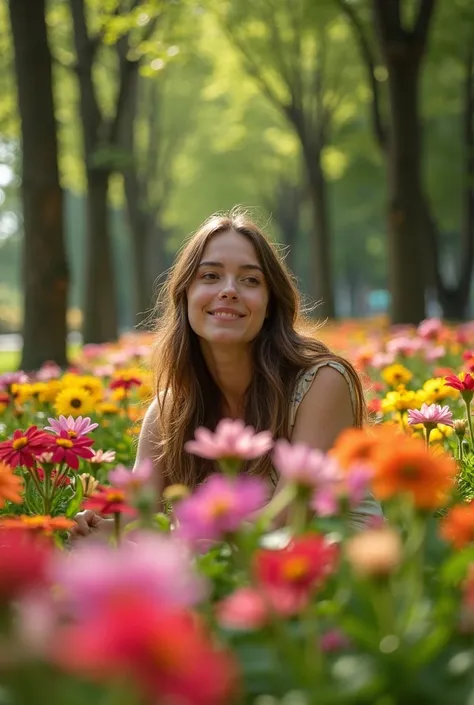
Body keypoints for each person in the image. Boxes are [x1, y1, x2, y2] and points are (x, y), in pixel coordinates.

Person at [73, 209, 381, 538]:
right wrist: (105, 530)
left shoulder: (322, 382)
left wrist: (168, 539)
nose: (229, 290)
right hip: (220, 572)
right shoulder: (168, 413)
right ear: (185, 295)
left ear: (269, 305)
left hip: (337, 572)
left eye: (250, 280)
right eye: (210, 276)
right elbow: (137, 516)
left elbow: (289, 518)